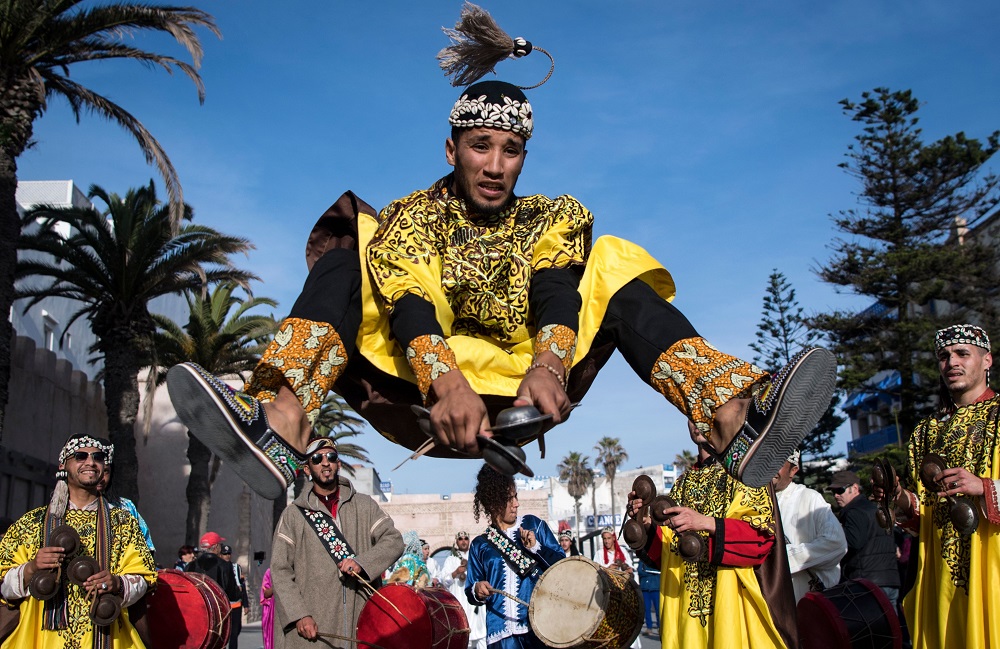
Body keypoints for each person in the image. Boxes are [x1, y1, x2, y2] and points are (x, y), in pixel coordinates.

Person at [165, 3, 836, 502]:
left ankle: (729, 419)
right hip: (422, 388)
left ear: (524, 156)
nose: (494, 165)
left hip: (525, 390)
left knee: (613, 260)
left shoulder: (551, 217)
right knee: (351, 238)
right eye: (479, 146)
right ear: (451, 150)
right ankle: (281, 428)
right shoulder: (414, 216)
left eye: (510, 149)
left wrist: (550, 362)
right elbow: (410, 299)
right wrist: (445, 382)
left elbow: (553, 285)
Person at [873, 324, 1000, 649]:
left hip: (993, 568)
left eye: (962, 354)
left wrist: (985, 487)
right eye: (943, 356)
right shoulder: (925, 432)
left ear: (987, 361)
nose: (951, 362)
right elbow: (925, 515)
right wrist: (900, 499)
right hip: (940, 575)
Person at [628, 423, 798, 649]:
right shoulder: (682, 484)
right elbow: (669, 556)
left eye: (705, 411)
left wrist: (705, 523)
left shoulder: (746, 474)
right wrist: (645, 524)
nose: (696, 421)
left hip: (733, 611)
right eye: (690, 414)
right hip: (687, 615)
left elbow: (760, 541)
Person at [0, 434, 157, 648]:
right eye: (80, 456)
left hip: (106, 635)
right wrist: (31, 568)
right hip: (41, 639)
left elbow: (145, 579)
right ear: (63, 464)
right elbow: (5, 587)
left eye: (98, 457)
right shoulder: (31, 523)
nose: (91, 462)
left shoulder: (124, 523)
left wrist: (118, 583)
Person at [270, 437, 403, 648]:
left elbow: (394, 540)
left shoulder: (364, 506)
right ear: (307, 469)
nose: (325, 462)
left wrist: (363, 562)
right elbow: (280, 570)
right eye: (317, 458)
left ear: (338, 464)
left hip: (359, 621)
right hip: (313, 628)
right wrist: (299, 614)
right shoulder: (293, 515)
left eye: (331, 457)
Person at [466, 464, 563, 648]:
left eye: (516, 496)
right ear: (493, 502)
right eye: (509, 499)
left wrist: (536, 547)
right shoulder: (480, 544)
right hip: (500, 635)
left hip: (539, 629)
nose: (516, 503)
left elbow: (562, 565)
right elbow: (471, 588)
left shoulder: (534, 525)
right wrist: (477, 589)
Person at [772, 449, 846, 601]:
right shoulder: (753, 501)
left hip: (805, 605)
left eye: (777, 463)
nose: (770, 468)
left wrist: (781, 558)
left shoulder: (809, 498)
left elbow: (836, 544)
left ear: (793, 470)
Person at [826, 470, 899, 604]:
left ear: (854, 488)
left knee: (869, 625)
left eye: (840, 490)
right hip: (890, 580)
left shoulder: (853, 511)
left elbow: (853, 543)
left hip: (866, 584)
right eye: (833, 492)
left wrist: (837, 533)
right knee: (893, 624)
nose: (836, 495)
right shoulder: (876, 508)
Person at [186, 530, 244, 634]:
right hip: (217, 614)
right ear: (216, 547)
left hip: (196, 612)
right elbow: (231, 593)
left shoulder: (190, 565)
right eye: (220, 545)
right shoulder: (225, 566)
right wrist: (239, 592)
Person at [438, 530, 486, 649]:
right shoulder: (451, 559)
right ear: (457, 541)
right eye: (460, 539)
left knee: (481, 635)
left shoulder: (476, 556)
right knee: (464, 634)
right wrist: (455, 573)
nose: (463, 541)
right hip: (461, 602)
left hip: (476, 606)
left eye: (466, 539)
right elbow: (443, 580)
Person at [97, 466, 156, 555]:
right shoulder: (70, 506)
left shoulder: (125, 506)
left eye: (105, 471)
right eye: (95, 471)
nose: (100, 476)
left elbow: (146, 548)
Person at [220, 544, 246, 649]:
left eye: (229, 554)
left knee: (236, 630)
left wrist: (246, 603)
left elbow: (241, 586)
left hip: (235, 603)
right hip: (223, 604)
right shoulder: (219, 566)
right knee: (225, 631)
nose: (227, 556)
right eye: (224, 554)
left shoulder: (235, 567)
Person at [637, 561, 660, 636]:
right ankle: (649, 627)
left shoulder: (656, 559)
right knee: (646, 609)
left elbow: (659, 571)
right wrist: (652, 571)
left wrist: (647, 570)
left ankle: (660, 627)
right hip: (645, 588)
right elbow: (640, 571)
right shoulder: (642, 560)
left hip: (656, 588)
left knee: (658, 609)